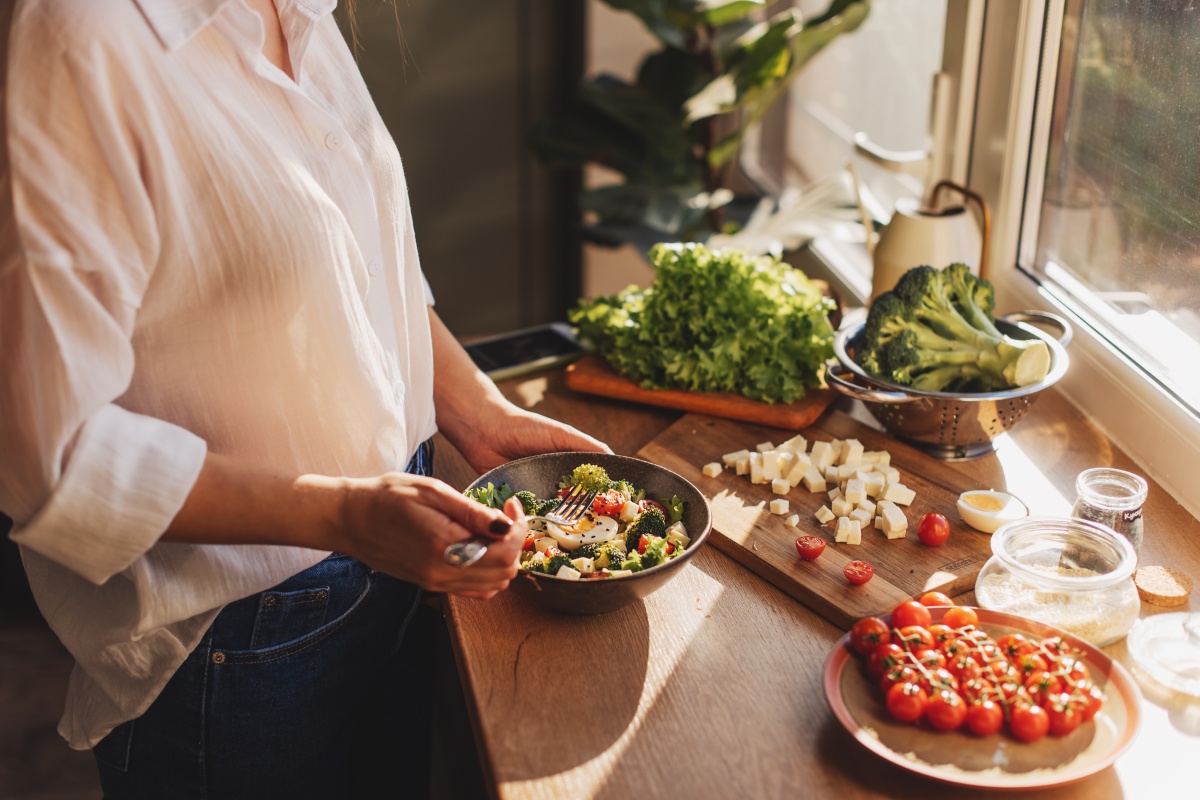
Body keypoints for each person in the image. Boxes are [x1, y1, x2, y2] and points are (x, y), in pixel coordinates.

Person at [0, 0, 608, 796]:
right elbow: (48, 456)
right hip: (243, 635)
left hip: (400, 564)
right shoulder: (82, 32)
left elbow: (358, 252)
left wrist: (476, 411)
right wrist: (343, 514)